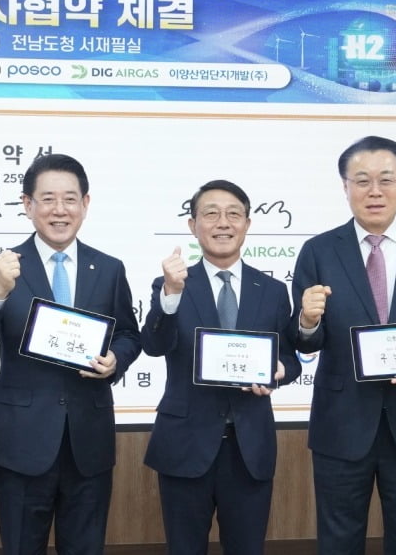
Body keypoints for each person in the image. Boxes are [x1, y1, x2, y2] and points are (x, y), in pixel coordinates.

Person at [0, 153, 141, 555]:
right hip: (21, 440)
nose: (60, 210)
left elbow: (129, 334)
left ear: (85, 204)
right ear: (28, 205)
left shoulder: (108, 268)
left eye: (70, 199)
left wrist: (116, 360)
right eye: (47, 199)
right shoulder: (3, 265)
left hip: (88, 440)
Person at [291, 135, 396, 554]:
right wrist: (308, 321)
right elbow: (306, 341)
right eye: (362, 181)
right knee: (339, 540)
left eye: (386, 179)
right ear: (345, 186)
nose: (375, 191)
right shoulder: (318, 250)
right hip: (341, 422)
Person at [141, 180, 301, 555]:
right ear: (192, 225)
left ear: (247, 224)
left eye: (233, 214)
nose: (223, 222)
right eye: (211, 213)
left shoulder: (272, 290)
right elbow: (153, 345)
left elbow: (291, 359)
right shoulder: (171, 284)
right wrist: (170, 295)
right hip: (185, 443)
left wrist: (279, 371)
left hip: (249, 447)